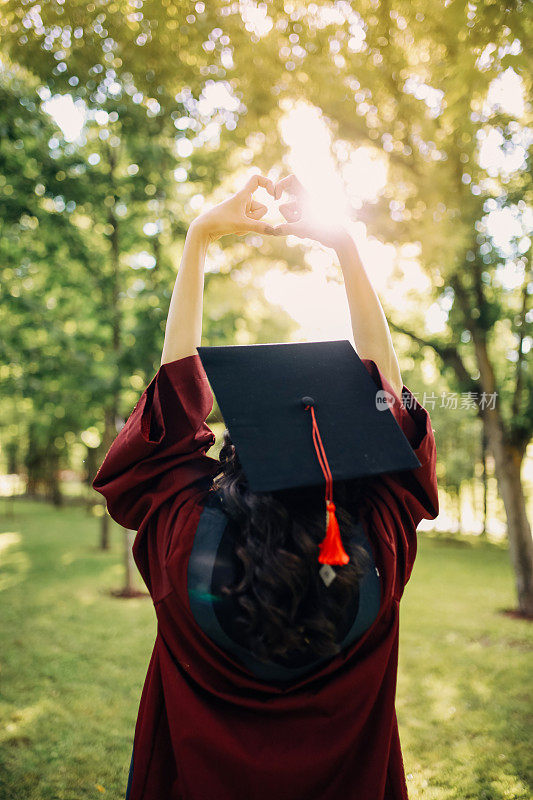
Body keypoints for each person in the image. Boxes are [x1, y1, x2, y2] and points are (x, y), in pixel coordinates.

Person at [92, 173, 439, 800]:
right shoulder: (380, 546)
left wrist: (199, 239)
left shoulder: (183, 541)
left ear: (232, 452)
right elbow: (391, 405)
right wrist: (346, 249)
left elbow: (168, 419)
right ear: (353, 455)